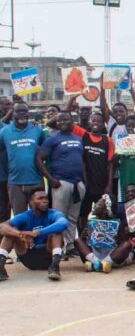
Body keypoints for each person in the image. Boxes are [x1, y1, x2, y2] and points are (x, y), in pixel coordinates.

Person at [36, 111, 86, 249]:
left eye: (66, 120)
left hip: (78, 184)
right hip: (61, 183)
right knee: (59, 217)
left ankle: (69, 246)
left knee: (72, 217)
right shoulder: (52, 139)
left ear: (72, 122)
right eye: (60, 120)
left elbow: (82, 161)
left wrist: (84, 182)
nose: (63, 122)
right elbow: (39, 159)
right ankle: (59, 248)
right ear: (56, 123)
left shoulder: (78, 138)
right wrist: (50, 179)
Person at [0, 189, 68, 281]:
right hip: (28, 256)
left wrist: (38, 232)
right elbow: (2, 227)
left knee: (57, 231)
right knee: (11, 231)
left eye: (46, 198)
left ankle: (55, 267)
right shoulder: (24, 216)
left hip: (48, 256)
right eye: (40, 198)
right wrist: (22, 234)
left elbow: (63, 223)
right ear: (31, 202)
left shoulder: (54, 214)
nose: (45, 200)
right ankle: (0, 268)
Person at [0, 102, 45, 215]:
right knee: (20, 219)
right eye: (18, 111)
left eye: (24, 111)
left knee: (39, 217)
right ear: (12, 112)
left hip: (36, 181)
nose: (22, 114)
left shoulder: (37, 129)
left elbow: (44, 149)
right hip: (15, 183)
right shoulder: (4, 132)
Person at [73, 112, 115, 221]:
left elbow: (110, 164)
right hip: (86, 182)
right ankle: (82, 235)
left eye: (99, 121)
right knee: (83, 213)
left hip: (101, 182)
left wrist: (109, 185)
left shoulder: (108, 140)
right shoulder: (84, 135)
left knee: (101, 212)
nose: (96, 123)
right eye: (94, 121)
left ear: (103, 124)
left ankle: (98, 236)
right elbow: (66, 118)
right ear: (90, 122)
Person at [75, 194, 133, 272]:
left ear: (105, 211)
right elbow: (83, 241)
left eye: (98, 204)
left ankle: (98, 264)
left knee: (127, 245)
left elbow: (122, 242)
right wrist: (83, 236)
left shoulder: (117, 223)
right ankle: (98, 264)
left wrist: (118, 239)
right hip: (93, 254)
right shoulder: (91, 221)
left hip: (112, 256)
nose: (95, 205)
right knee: (77, 240)